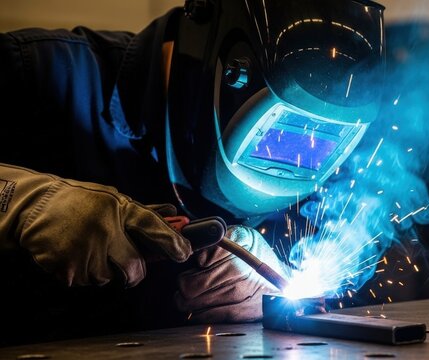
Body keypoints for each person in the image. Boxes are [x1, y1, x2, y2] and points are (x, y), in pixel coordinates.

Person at [0, 0, 385, 345]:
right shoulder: (41, 72)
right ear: (227, 65)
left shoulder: (335, 161)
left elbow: (356, 299)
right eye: (275, 129)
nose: (293, 154)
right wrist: (21, 201)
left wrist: (271, 297)